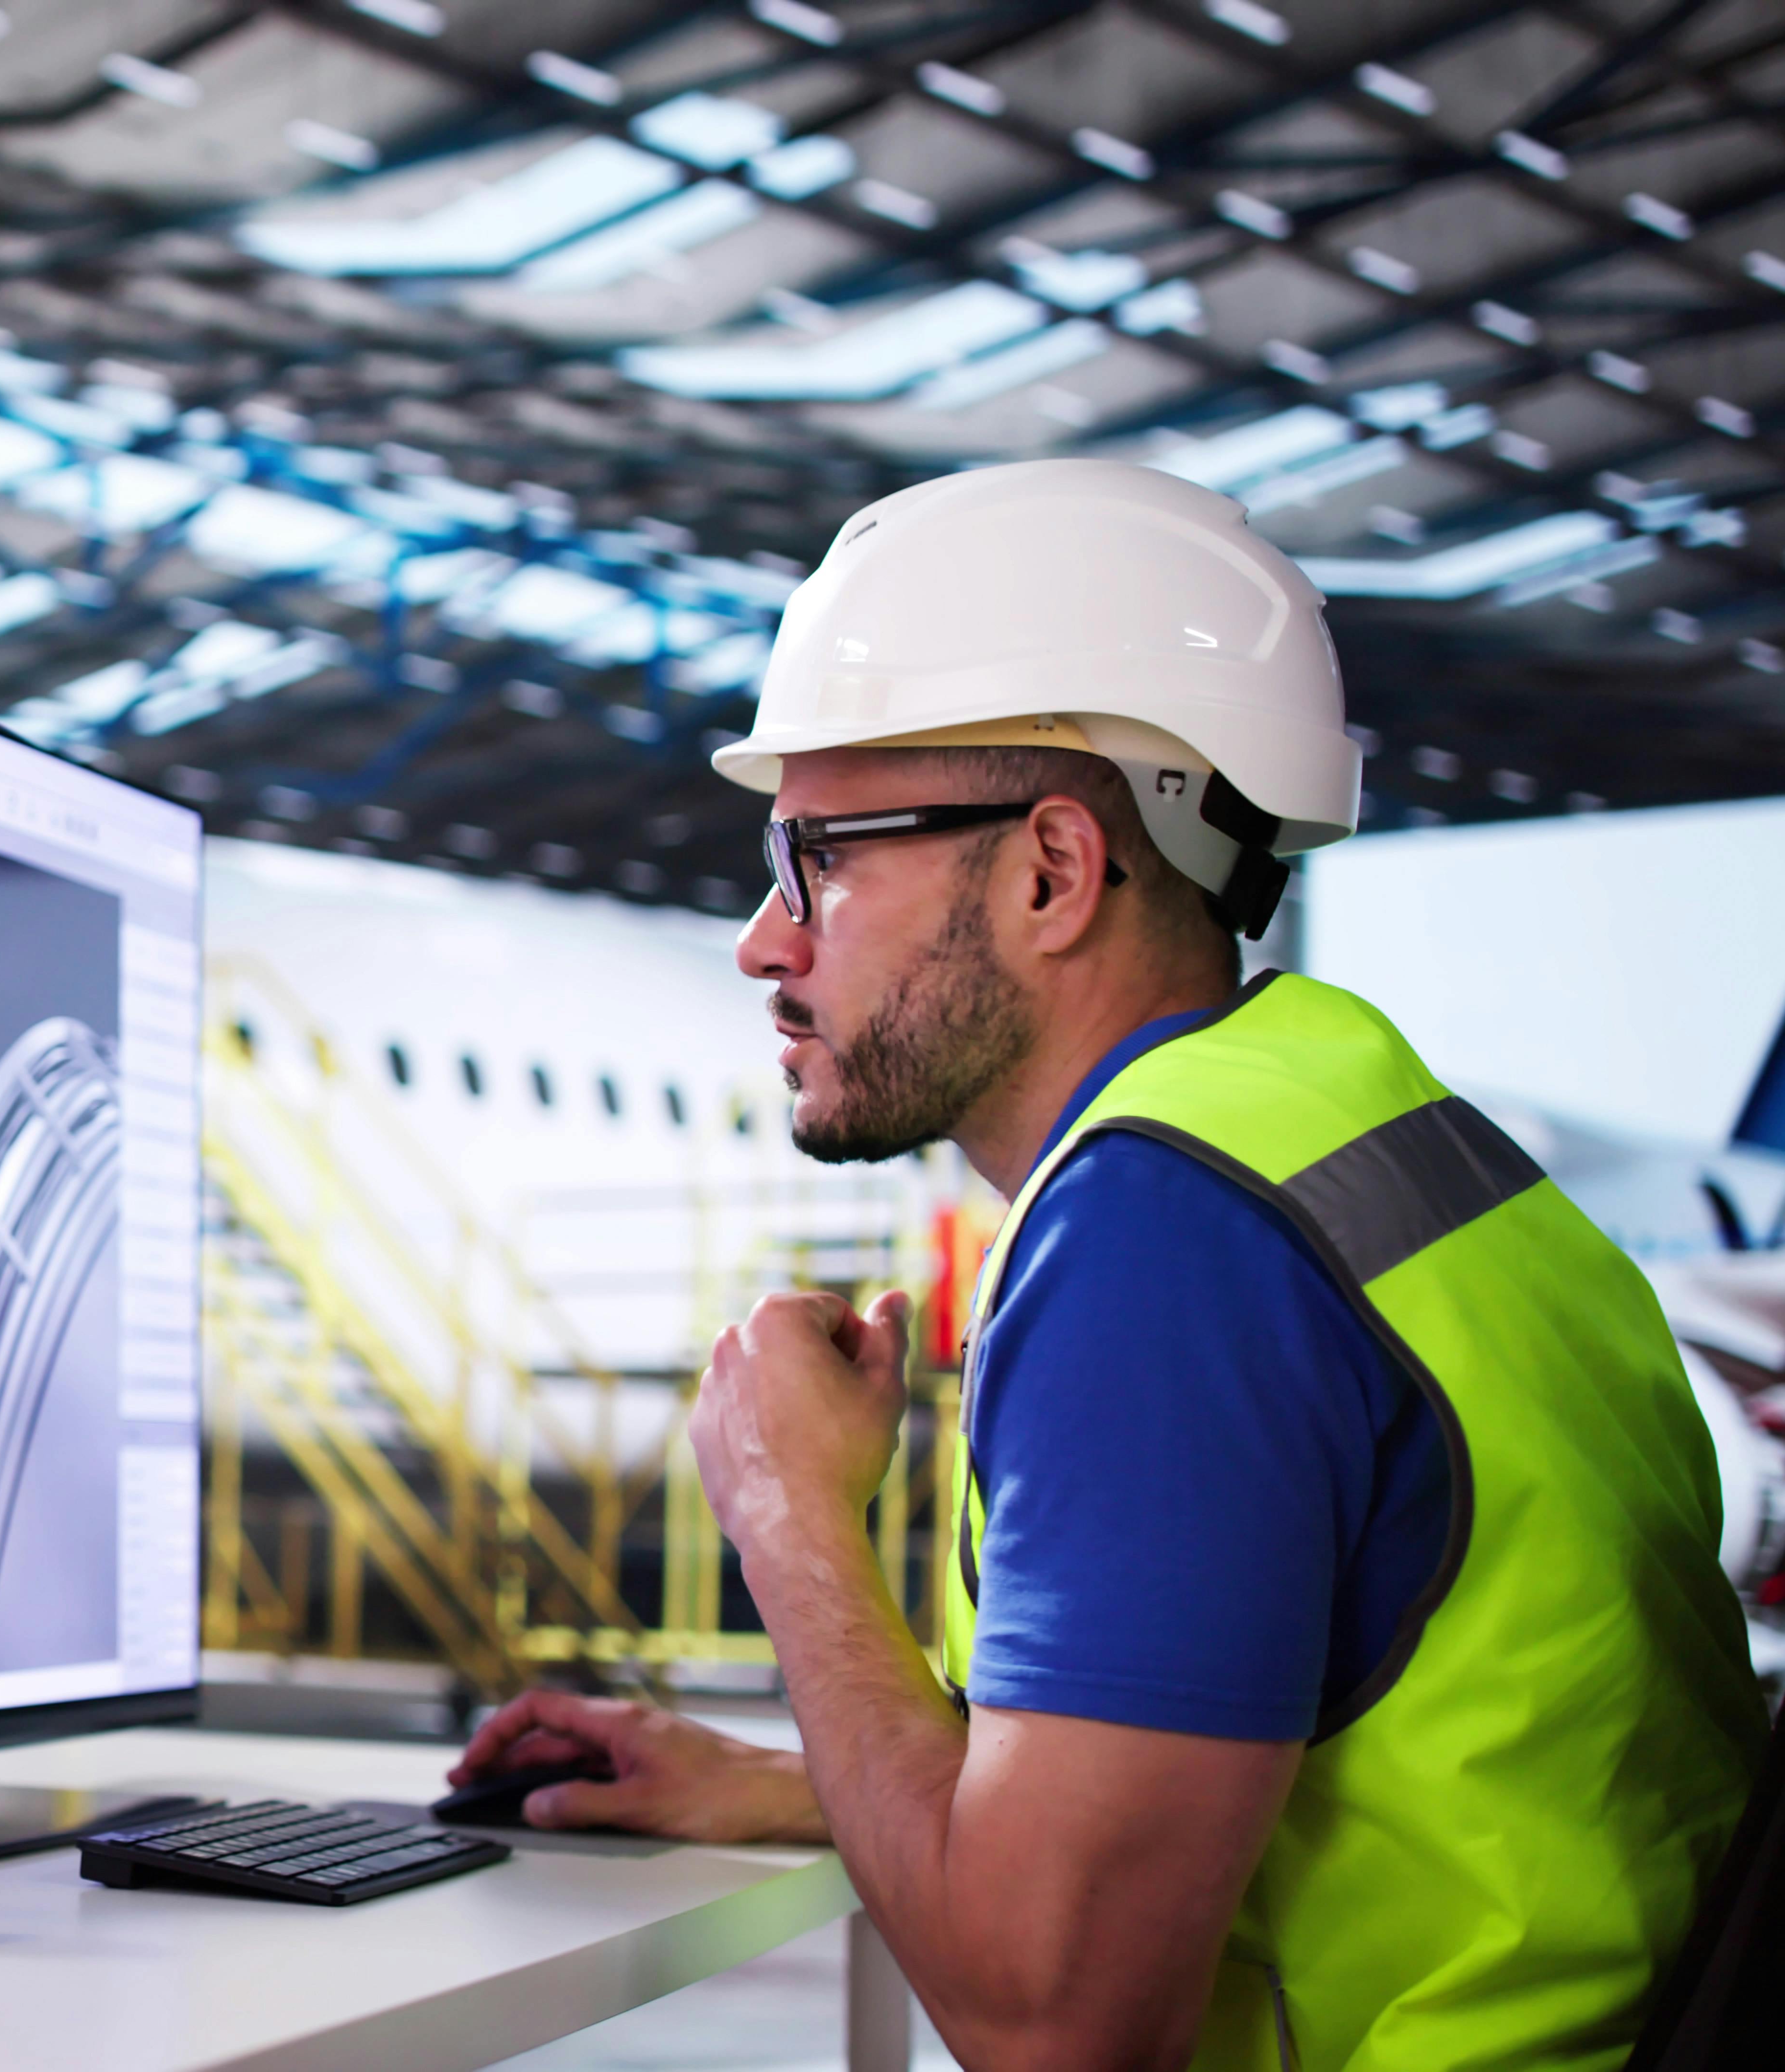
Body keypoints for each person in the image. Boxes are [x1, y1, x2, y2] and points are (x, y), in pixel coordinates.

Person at [447, 459, 1764, 2067]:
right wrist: (792, 1782)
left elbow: (1053, 2026)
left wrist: (792, 1518)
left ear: (1054, 873)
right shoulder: (1369, 1143)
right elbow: (1294, 1749)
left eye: (825, 859)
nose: (766, 940)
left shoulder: (1168, 1242)